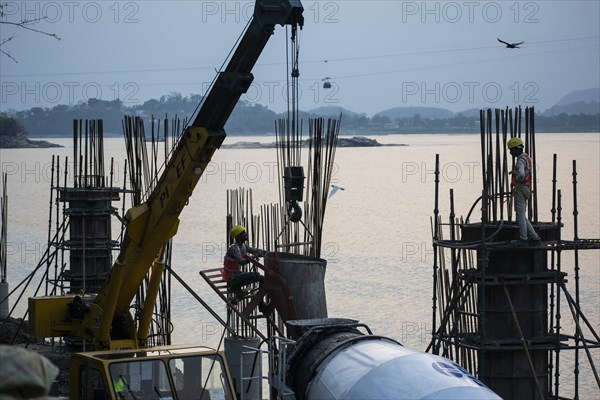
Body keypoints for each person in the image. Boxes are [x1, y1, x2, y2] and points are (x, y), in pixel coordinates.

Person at [508, 137, 542, 245]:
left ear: (516, 149)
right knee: (522, 215)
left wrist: (517, 179)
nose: (510, 153)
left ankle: (523, 238)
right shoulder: (528, 158)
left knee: (520, 215)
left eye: (511, 150)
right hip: (526, 189)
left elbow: (522, 174)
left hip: (520, 189)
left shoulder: (521, 160)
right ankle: (535, 237)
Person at [222, 225, 266, 300]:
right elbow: (241, 261)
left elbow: (255, 251)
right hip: (232, 278)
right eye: (244, 233)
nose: (246, 234)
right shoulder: (234, 249)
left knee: (263, 279)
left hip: (237, 275)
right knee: (256, 275)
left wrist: (269, 253)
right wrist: (252, 258)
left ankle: (261, 305)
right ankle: (234, 287)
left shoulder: (244, 246)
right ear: (239, 236)